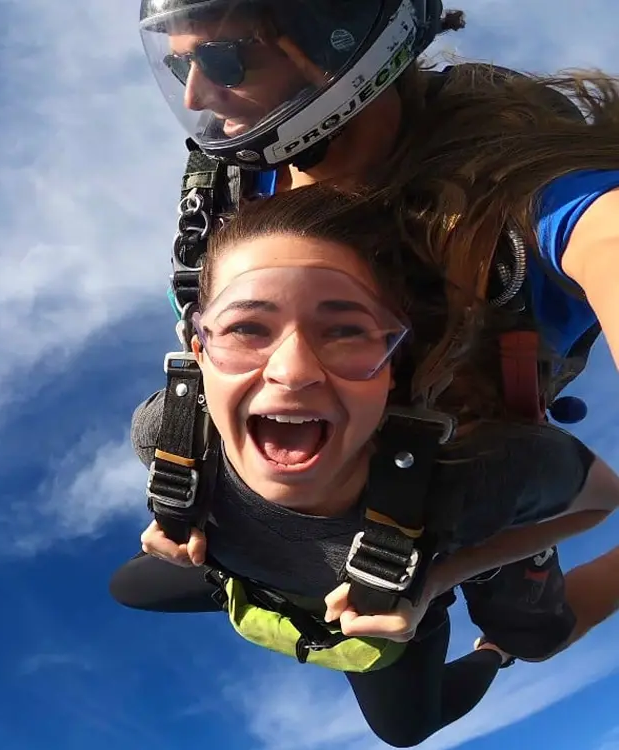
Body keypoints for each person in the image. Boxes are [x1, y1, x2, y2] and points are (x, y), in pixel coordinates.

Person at [132, 0, 619, 662]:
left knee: (531, 627)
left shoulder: (522, 200)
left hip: (465, 454)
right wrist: (191, 501)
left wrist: (437, 576)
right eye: (179, 66)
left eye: (224, 59)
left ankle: (498, 651)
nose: (196, 95)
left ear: (333, 38)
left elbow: (601, 230)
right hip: (333, 464)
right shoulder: (238, 184)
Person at [113, 183, 619, 747]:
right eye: (246, 328)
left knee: (406, 729)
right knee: (127, 586)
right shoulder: (168, 435)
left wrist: (433, 581)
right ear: (200, 354)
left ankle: (495, 653)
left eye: (347, 331)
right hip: (244, 564)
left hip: (388, 582)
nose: (292, 371)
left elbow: (602, 499)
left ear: (392, 366)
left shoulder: (466, 479)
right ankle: (245, 568)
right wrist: (179, 515)